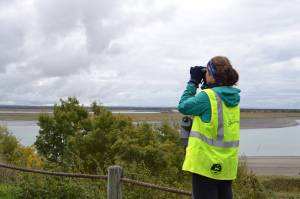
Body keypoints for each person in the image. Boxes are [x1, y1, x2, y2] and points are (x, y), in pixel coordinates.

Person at [177, 56, 240, 199]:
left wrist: (193, 82)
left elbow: (183, 106)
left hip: (205, 164)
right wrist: (208, 82)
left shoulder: (208, 97)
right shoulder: (233, 97)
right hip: (227, 165)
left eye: (207, 72)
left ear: (211, 74)